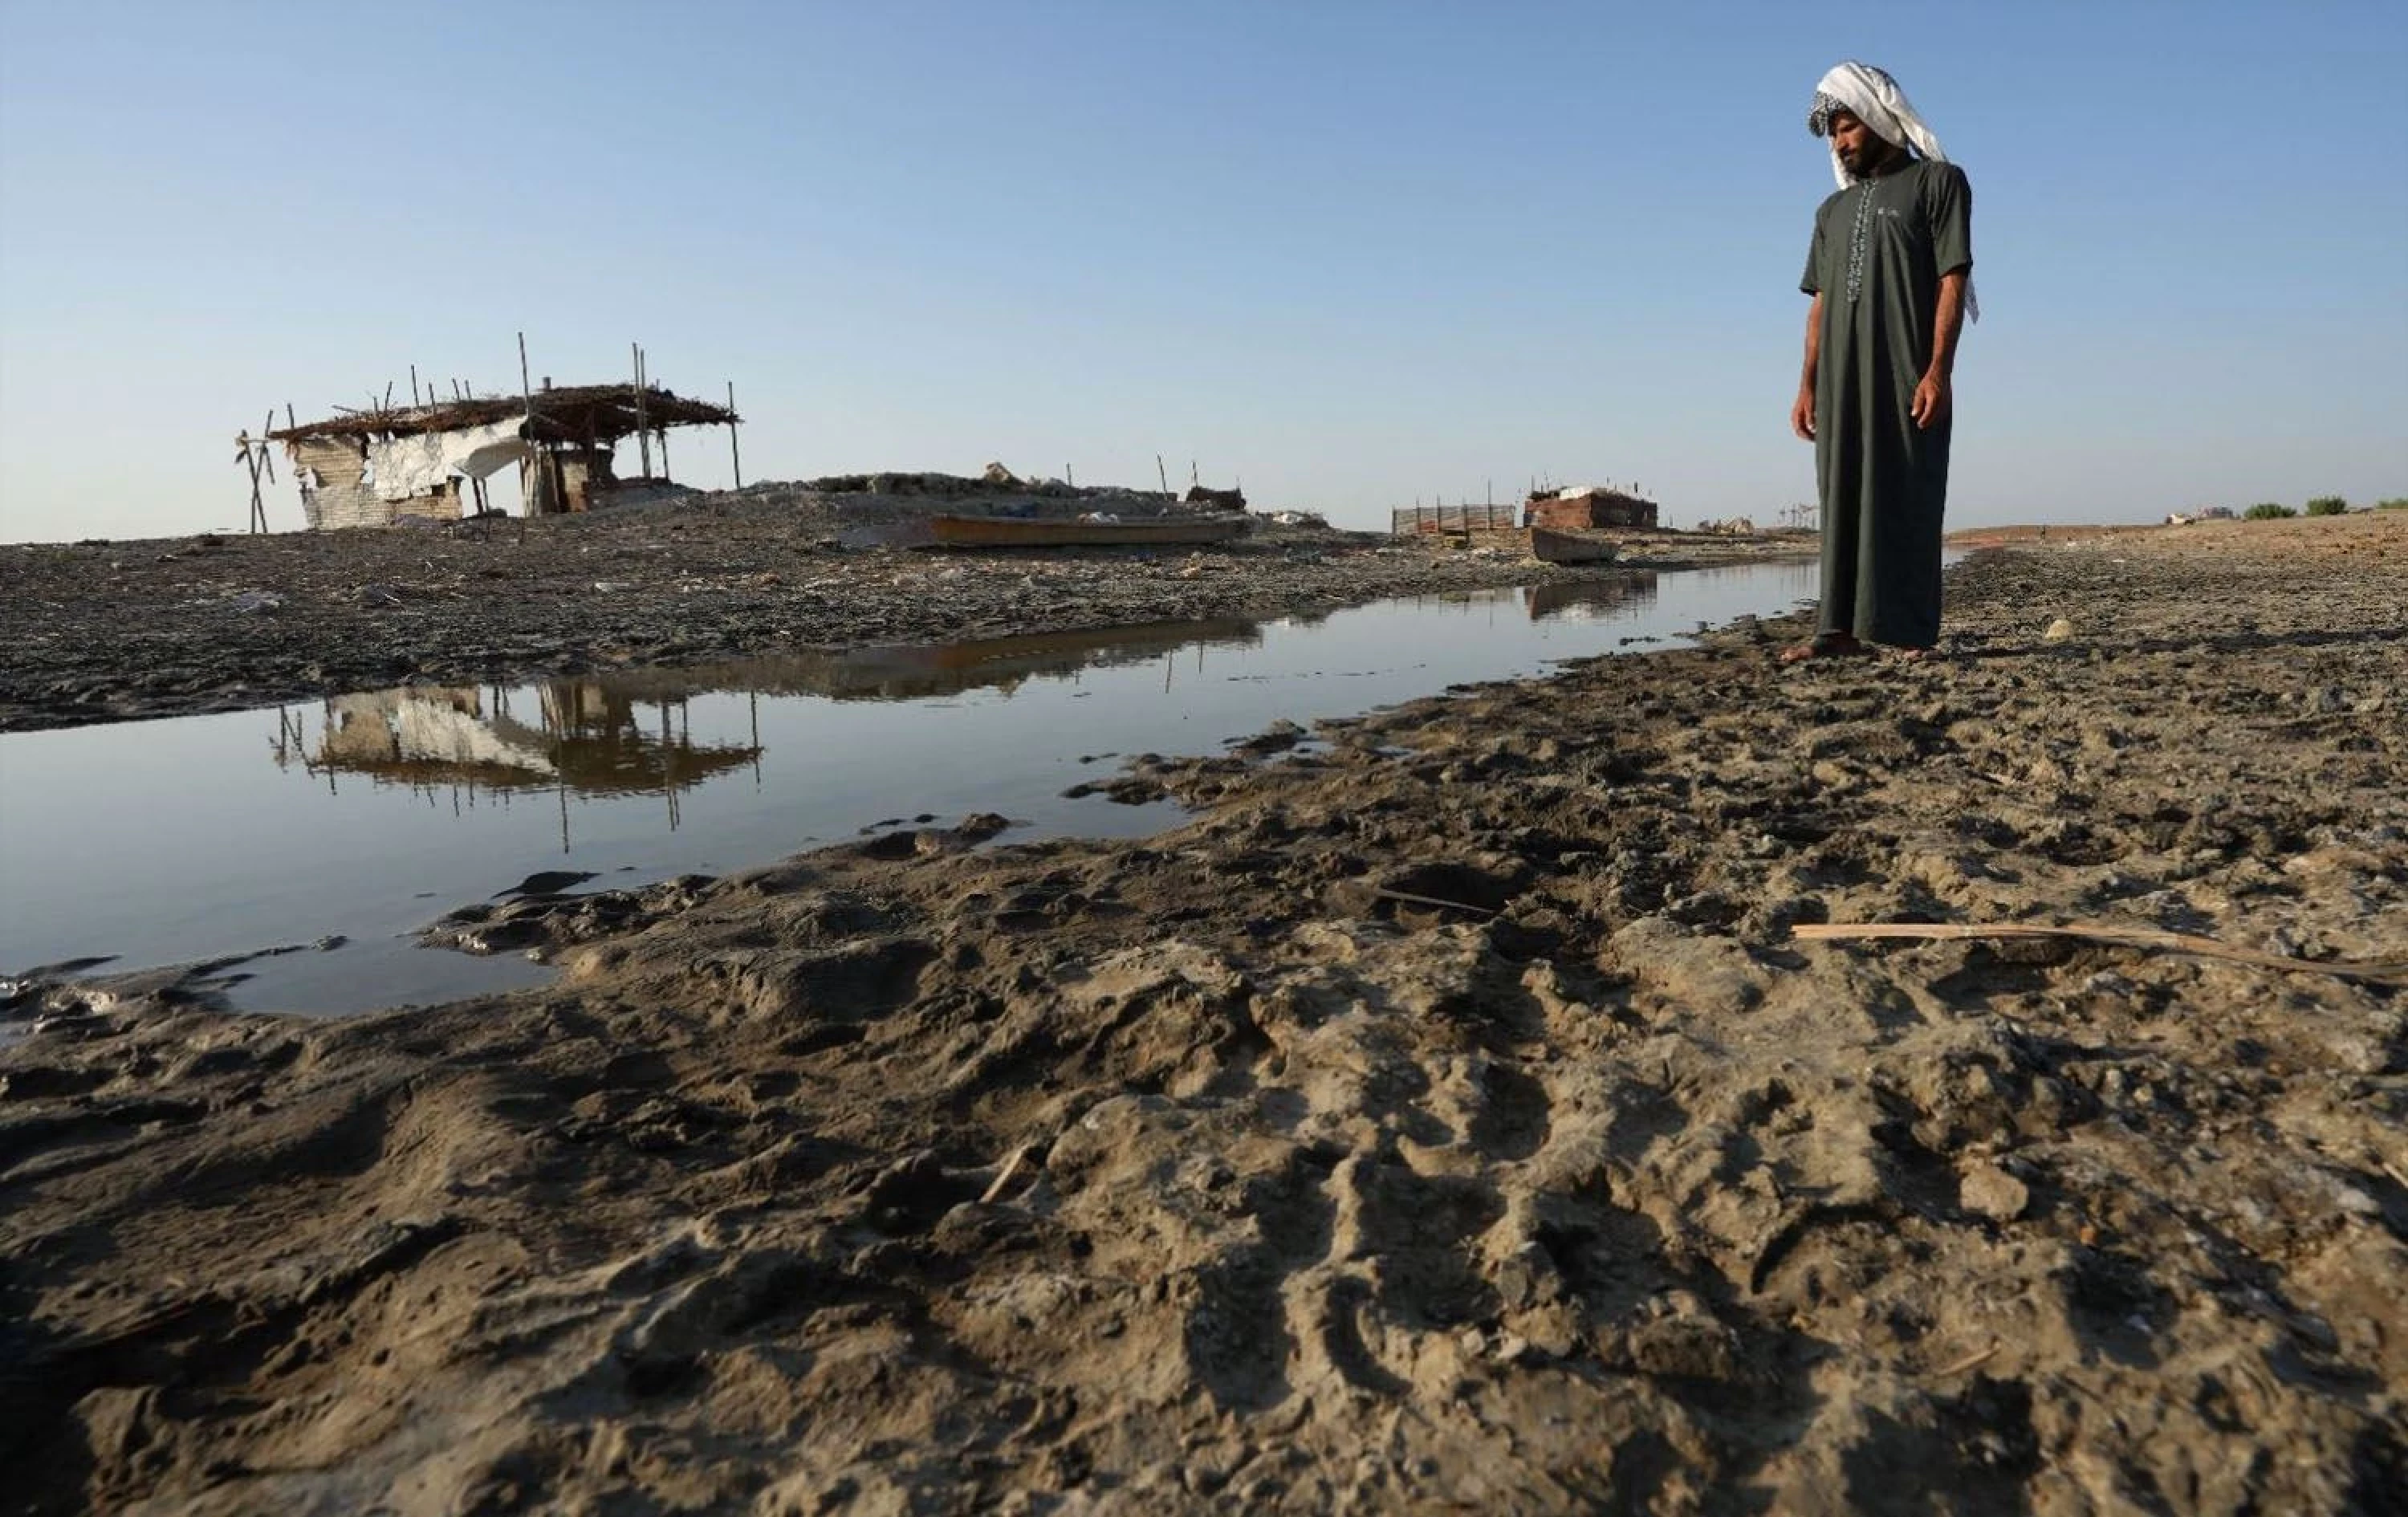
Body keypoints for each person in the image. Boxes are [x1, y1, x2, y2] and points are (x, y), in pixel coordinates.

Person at [1785, 61, 1975, 663]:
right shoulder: (1830, 213)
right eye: (1833, 135)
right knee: (1839, 495)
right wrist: (1807, 385)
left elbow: (1951, 280)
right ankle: (1835, 632)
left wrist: (1938, 371)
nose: (1840, 144)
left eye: (1847, 128)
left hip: (1906, 372)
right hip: (1840, 380)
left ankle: (1910, 633)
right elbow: (1819, 306)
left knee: (1909, 491)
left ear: (1877, 117)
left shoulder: (1939, 183)